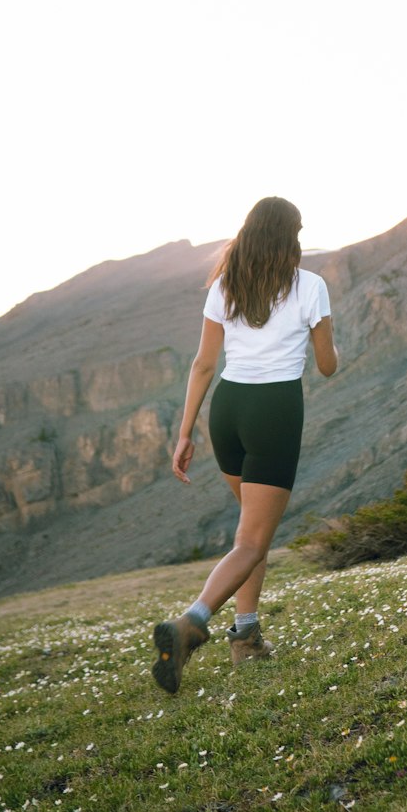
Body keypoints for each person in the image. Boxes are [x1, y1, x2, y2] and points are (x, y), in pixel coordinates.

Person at [152, 196, 339, 694]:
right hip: (274, 412)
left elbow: (203, 365)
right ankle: (191, 622)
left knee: (250, 535)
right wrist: (324, 333)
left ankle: (247, 637)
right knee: (252, 540)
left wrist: (185, 431)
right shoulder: (311, 287)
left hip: (227, 411)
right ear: (292, 236)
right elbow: (327, 365)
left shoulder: (224, 286)